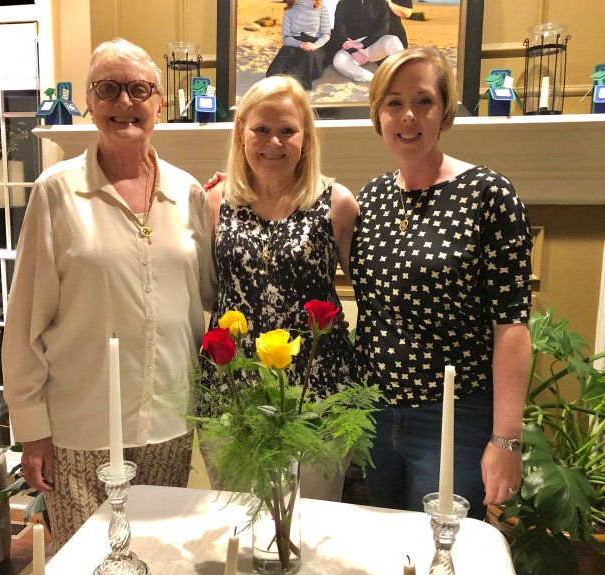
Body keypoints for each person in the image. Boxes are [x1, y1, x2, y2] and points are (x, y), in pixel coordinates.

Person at [2, 38, 216, 549]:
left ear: (159, 102)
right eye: (108, 89)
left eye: (139, 89)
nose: (125, 102)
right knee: (85, 567)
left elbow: (207, 295)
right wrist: (31, 427)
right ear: (90, 102)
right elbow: (25, 319)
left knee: (160, 560)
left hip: (169, 424)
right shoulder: (56, 191)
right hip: (81, 429)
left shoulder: (187, 193)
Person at [349, 46, 533, 520]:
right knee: (387, 548)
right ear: (378, 115)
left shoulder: (488, 194)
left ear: (445, 112)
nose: (408, 115)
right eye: (394, 102)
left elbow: (511, 325)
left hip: (453, 418)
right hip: (376, 414)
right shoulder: (372, 197)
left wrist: (506, 439)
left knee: (445, 549)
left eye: (424, 101)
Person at [200, 75, 359, 500]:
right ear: (242, 133)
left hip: (318, 391)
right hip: (231, 390)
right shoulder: (214, 202)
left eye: (287, 130)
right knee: (237, 516)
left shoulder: (337, 203)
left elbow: (372, 292)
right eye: (261, 129)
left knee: (314, 521)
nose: (274, 142)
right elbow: (205, 288)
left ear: (305, 138)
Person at [325, 0, 404, 82]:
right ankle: (373, 79)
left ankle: (403, 73)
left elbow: (383, 29)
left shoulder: (381, 2)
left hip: (374, 45)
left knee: (392, 40)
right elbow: (339, 30)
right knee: (339, 61)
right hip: (352, 45)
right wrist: (353, 51)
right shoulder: (343, 3)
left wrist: (362, 44)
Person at [266, 0, 331, 91]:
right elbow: (285, 37)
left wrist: (315, 45)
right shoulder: (290, 8)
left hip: (314, 44)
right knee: (287, 52)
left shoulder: (321, 6)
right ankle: (279, 81)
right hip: (294, 43)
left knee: (307, 55)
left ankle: (295, 82)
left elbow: (326, 34)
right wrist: (300, 44)